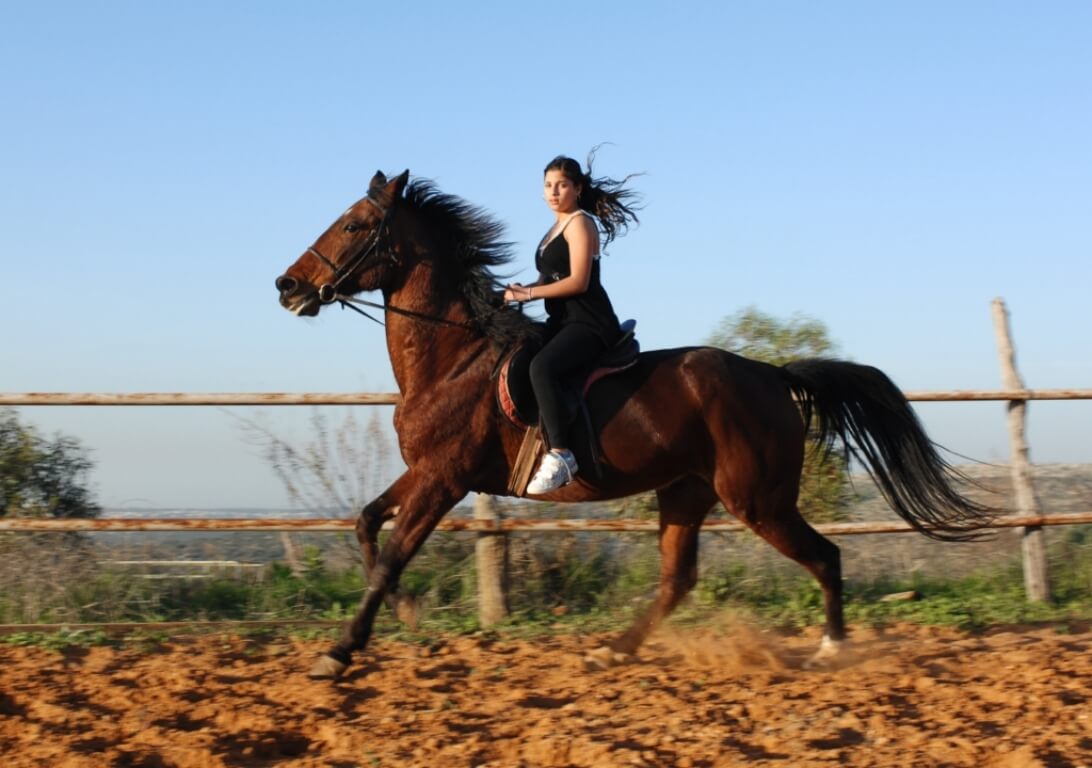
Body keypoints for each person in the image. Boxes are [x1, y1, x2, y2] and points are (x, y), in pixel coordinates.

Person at [504, 153, 640, 494]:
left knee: (541, 368)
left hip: (589, 322)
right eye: (548, 185)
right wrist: (515, 292)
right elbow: (550, 275)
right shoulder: (555, 227)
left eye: (562, 185)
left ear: (577, 189)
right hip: (562, 320)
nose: (554, 191)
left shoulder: (580, 222)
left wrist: (530, 294)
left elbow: (578, 281)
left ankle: (562, 454)